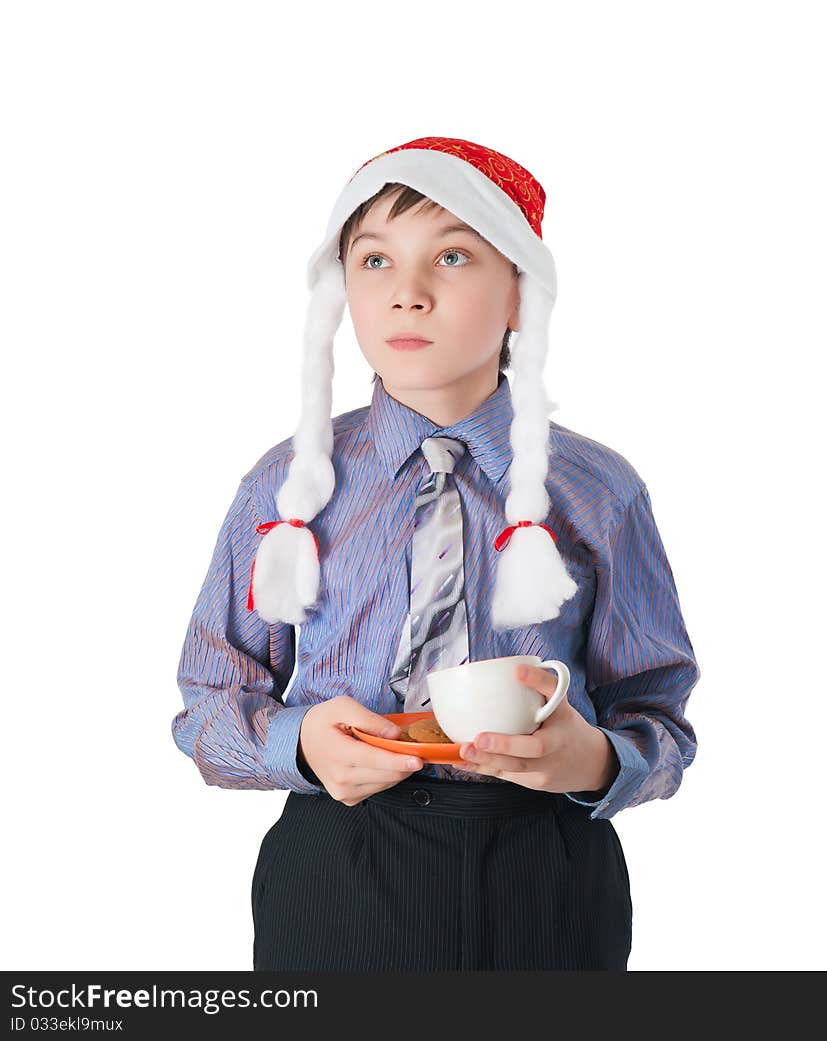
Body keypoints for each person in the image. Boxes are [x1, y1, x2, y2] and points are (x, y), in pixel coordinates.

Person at [172, 136, 701, 971]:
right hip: (341, 868)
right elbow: (207, 700)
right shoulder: (285, 486)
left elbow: (660, 713)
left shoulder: (600, 491)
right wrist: (300, 742)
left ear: (522, 294)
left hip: (547, 873)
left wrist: (593, 758)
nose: (408, 296)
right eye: (375, 260)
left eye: (452, 255)